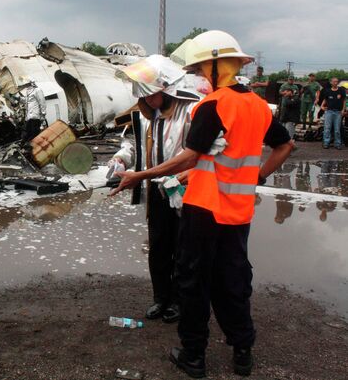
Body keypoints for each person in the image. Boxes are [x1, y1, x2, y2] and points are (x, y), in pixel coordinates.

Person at [110, 30, 293, 378]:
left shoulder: (213, 105)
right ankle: (243, 352)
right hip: (238, 212)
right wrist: (257, 176)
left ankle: (193, 355)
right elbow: (285, 146)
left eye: (198, 70)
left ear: (215, 66)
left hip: (204, 208)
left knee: (193, 281)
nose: (196, 76)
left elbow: (189, 156)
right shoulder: (256, 105)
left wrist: (140, 175)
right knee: (233, 280)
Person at [119, 54, 206, 324]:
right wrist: (120, 158)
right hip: (155, 191)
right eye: (142, 95)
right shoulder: (143, 114)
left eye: (149, 95)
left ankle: (179, 301)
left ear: (165, 87)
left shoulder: (192, 109)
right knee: (158, 246)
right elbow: (131, 144)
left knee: (183, 248)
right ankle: (161, 297)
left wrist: (190, 173)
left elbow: (202, 152)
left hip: (183, 191)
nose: (145, 100)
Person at [320, 77, 346, 149]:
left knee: (337, 129)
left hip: (338, 112)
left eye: (337, 81)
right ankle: (326, 142)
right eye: (334, 82)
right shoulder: (328, 91)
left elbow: (344, 100)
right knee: (327, 128)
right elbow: (325, 99)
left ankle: (337, 144)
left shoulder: (341, 90)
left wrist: (343, 110)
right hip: (329, 111)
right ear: (331, 82)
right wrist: (322, 106)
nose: (336, 83)